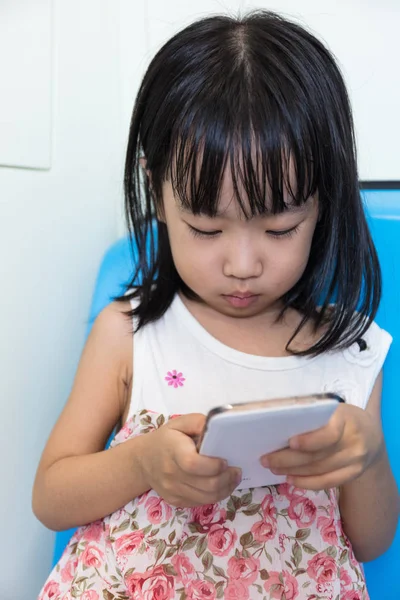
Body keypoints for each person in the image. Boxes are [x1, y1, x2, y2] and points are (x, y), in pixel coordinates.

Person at [34, 10, 399, 600]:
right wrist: (141, 463)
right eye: (206, 229)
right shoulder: (129, 334)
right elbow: (51, 497)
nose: (243, 265)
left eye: (280, 229)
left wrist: (370, 457)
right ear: (157, 190)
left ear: (324, 201)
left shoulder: (350, 353)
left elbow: (371, 541)